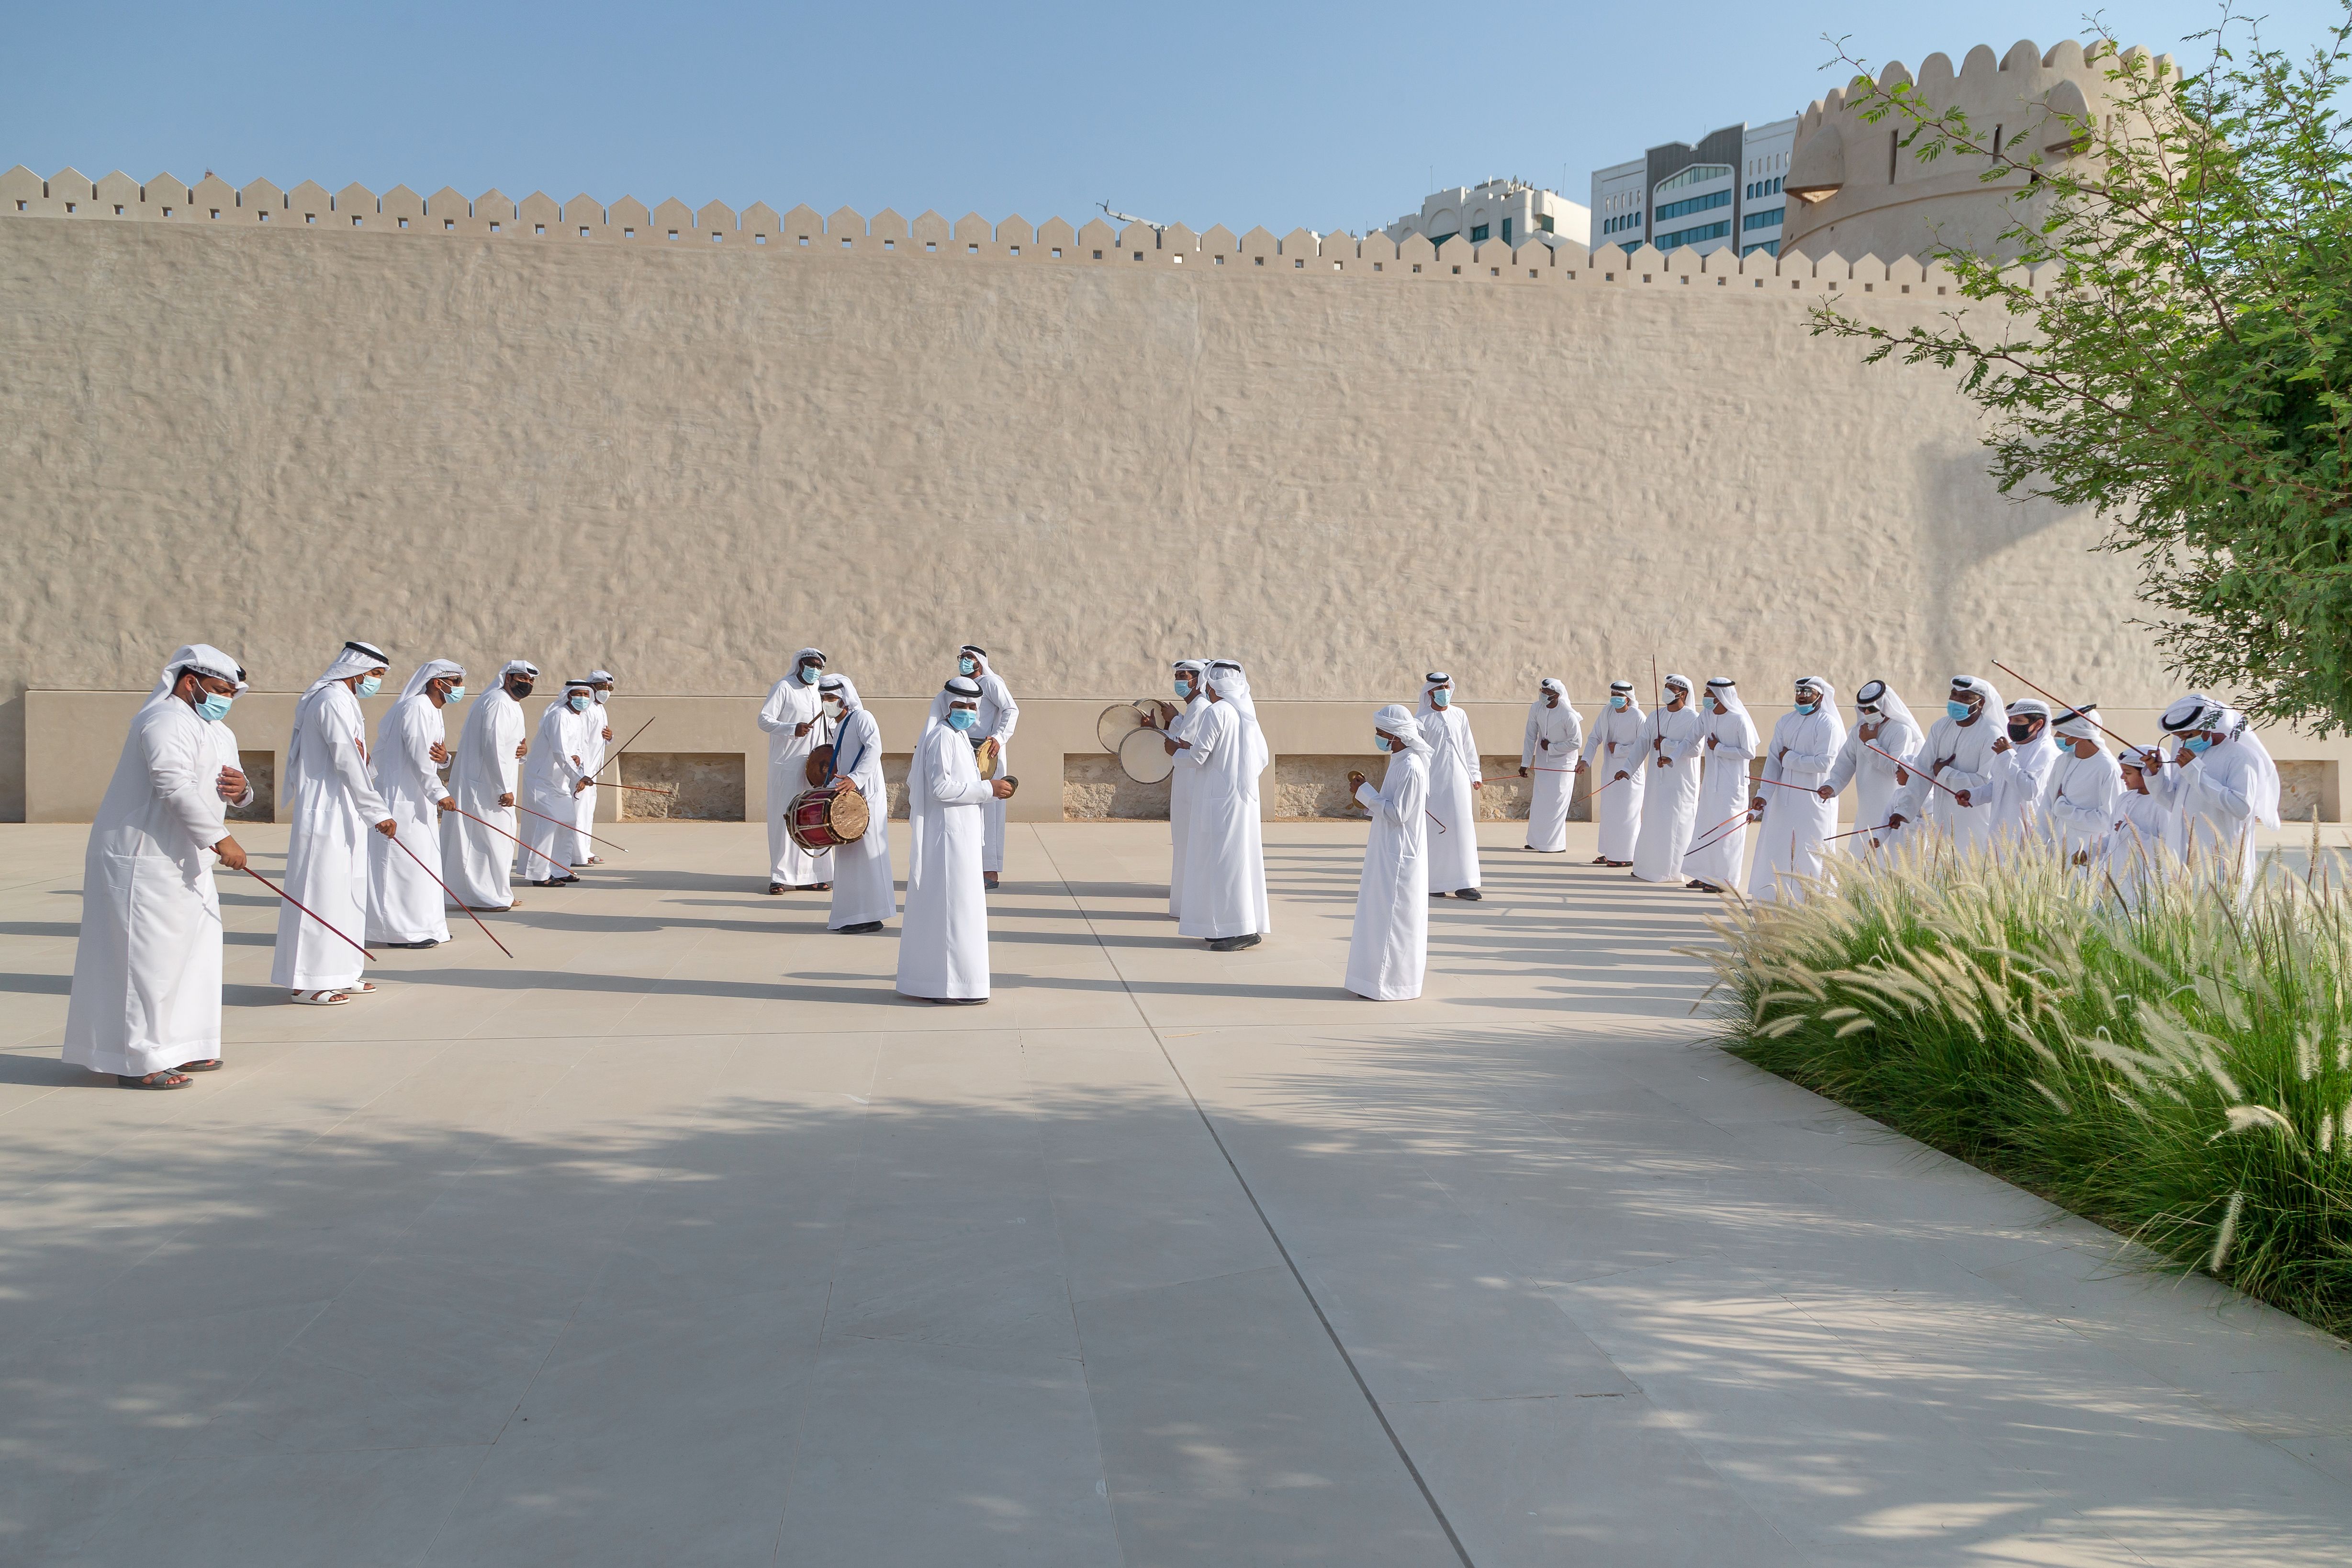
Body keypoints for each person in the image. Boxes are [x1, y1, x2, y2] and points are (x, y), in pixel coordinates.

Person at [64, 645, 252, 1088]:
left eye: (231, 693)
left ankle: (185, 1047)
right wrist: (221, 839)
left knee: (194, 956)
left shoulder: (219, 730)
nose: (226, 699)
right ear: (191, 682)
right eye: (221, 690)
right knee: (144, 963)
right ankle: (137, 1060)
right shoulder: (163, 720)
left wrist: (242, 791)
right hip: (142, 860)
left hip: (190, 859)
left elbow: (234, 788)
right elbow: (172, 785)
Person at [272, 641, 396, 1004]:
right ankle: (306, 981)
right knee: (320, 894)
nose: (376, 682)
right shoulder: (331, 700)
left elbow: (358, 755)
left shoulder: (346, 701)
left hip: (347, 811)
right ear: (355, 670)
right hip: (325, 812)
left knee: (348, 893)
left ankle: (342, 971)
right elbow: (346, 759)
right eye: (374, 674)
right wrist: (378, 811)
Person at [897, 677, 1013, 1002]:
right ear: (947, 706)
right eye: (959, 705)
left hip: (960, 836)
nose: (966, 711)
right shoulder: (941, 738)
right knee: (952, 910)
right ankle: (949, 987)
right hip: (946, 837)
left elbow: (964, 785)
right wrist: (989, 789)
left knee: (962, 910)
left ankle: (960, 984)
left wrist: (989, 791)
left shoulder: (960, 736)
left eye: (972, 706)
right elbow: (940, 789)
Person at [365, 660, 463, 948]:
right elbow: (419, 757)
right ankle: (399, 932)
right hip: (400, 800)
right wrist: (439, 792)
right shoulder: (417, 707)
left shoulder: (433, 711)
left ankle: (426, 926)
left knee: (424, 864)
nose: (460, 689)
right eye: (456, 682)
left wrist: (445, 759)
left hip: (419, 800)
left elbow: (434, 756)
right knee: (401, 865)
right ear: (437, 682)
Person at [1174, 661, 1271, 950]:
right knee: (1234, 861)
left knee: (1224, 863)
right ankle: (1224, 925)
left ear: (1212, 686)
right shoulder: (1246, 714)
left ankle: (1240, 929)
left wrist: (1174, 753)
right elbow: (1262, 759)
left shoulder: (1217, 712)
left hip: (1221, 802)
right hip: (1242, 802)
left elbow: (1197, 756)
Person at [2145, 696, 2281, 902]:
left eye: (2188, 735)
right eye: (2178, 737)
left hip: (2221, 859)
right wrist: (2155, 776)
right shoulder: (2190, 756)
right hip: (2184, 856)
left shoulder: (2241, 757)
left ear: (2211, 726)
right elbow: (2175, 804)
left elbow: (2242, 807)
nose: (2183, 742)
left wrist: (2195, 772)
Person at [1344, 705, 1431, 1000]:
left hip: (1400, 853)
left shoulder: (1411, 767)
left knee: (1394, 917)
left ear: (1396, 735)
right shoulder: (1400, 760)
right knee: (1380, 913)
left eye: (1382, 734)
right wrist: (1366, 796)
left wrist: (1366, 792)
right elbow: (1386, 807)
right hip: (1387, 848)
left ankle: (1391, 985)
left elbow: (1399, 814)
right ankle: (1372, 982)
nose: (1378, 738)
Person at [444, 660, 536, 910]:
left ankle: (499, 892)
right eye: (522, 679)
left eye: (530, 681)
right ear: (507, 679)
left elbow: (513, 745)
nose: (526, 684)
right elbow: (492, 746)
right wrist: (501, 787)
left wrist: (524, 751)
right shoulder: (496, 702)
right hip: (486, 788)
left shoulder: (511, 704)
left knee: (501, 841)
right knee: (487, 840)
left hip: (498, 786)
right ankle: (483, 896)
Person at [1747, 676, 1846, 903]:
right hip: (1783, 800)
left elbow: (1824, 763)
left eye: (1807, 692)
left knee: (1810, 850)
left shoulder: (1828, 724)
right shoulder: (1785, 721)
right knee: (1777, 847)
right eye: (1798, 691)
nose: (1801, 695)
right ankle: (1773, 897)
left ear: (1820, 696)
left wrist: (1789, 758)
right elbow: (1773, 760)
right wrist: (1763, 794)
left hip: (1813, 800)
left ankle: (1811, 901)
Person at [1888, 675, 2006, 856]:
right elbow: (1922, 771)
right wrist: (1904, 810)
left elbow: (1986, 783)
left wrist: (1944, 773)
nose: (1956, 701)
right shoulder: (1941, 727)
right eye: (1954, 695)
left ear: (1981, 703)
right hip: (1942, 816)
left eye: (1965, 698)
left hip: (1974, 819)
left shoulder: (1991, 733)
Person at [819, 673, 894, 933]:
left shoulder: (863, 718)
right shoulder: (838, 727)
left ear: (845, 699)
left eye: (831, 698)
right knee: (850, 857)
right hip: (848, 799)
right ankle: (853, 914)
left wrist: (855, 778)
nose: (827, 702)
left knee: (868, 855)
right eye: (824, 698)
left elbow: (875, 748)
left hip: (866, 797)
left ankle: (870, 916)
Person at [1820, 680, 1923, 856]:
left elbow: (1896, 769)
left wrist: (1871, 743)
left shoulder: (1902, 731)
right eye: (1863, 709)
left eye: (1872, 709)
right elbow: (1846, 761)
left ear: (1885, 706)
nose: (1867, 713)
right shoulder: (1860, 730)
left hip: (1893, 807)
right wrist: (1833, 785)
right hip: (1867, 806)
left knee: (1889, 856)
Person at [758, 647, 831, 894]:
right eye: (811, 664)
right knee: (786, 817)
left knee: (813, 816)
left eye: (819, 667)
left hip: (816, 766)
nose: (815, 670)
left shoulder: (819, 691)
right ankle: (780, 876)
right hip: (788, 764)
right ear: (800, 664)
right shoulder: (784, 687)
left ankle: (812, 875)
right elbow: (764, 720)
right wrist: (792, 728)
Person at [1683, 677, 1758, 895]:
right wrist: (1671, 757)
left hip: (1733, 786)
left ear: (1721, 696)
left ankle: (1724, 880)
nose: (1705, 696)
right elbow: (1691, 740)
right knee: (1705, 827)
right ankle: (1703, 874)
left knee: (1727, 833)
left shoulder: (1739, 719)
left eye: (1709, 693)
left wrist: (1719, 748)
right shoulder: (1706, 715)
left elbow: (1750, 752)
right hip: (1711, 784)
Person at [1631, 673, 1707, 884]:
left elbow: (1696, 749)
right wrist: (1627, 769)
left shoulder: (1693, 718)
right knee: (1653, 821)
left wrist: (1668, 744)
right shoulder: (1656, 715)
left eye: (1672, 687)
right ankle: (1647, 868)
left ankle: (1671, 872)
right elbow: (1642, 744)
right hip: (1657, 781)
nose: (1667, 690)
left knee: (1675, 825)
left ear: (1683, 693)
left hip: (1680, 783)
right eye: (1666, 686)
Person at [519, 681, 593, 887]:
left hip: (559, 781)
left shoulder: (578, 719)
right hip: (542, 780)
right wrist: (578, 776)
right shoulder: (559, 716)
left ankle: (559, 869)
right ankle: (539, 874)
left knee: (568, 821)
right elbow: (560, 751)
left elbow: (575, 752)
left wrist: (578, 771)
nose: (582, 698)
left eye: (585, 694)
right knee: (549, 823)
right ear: (568, 696)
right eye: (577, 694)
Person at [1417, 672, 1483, 899]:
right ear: (1430, 692)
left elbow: (1469, 747)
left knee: (1463, 832)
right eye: (1440, 688)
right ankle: (1435, 883)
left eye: (1447, 687)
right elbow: (1417, 756)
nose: (1445, 691)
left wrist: (1475, 774)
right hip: (1433, 786)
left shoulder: (1460, 715)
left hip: (1460, 785)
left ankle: (1466, 883)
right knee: (1436, 833)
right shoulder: (1421, 720)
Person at [961, 645, 1019, 889]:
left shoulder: (992, 682)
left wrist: (998, 737)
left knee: (991, 813)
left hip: (989, 753)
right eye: (962, 657)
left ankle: (991, 872)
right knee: (969, 809)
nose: (965, 661)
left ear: (980, 661)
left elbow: (1011, 709)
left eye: (969, 658)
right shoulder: (961, 686)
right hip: (965, 751)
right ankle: (970, 867)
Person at [2041, 705, 2122, 876]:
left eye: (2062, 734)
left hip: (2086, 856)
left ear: (2078, 735)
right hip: (2057, 854)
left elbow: (2107, 820)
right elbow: (2048, 806)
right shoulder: (2063, 761)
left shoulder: (2107, 767)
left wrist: (2065, 810)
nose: (2057, 738)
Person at [1155, 660, 1209, 918]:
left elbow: (1182, 744)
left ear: (1198, 680)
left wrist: (1161, 730)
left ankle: (1188, 903)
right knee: (1182, 840)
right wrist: (1167, 723)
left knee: (1187, 840)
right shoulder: (1195, 708)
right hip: (1184, 778)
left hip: (1191, 781)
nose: (1178, 680)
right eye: (1176, 675)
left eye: (1183, 675)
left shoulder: (1200, 707)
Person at [2108, 748, 2184, 909]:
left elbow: (2168, 851)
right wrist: (2090, 850)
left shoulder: (2164, 805)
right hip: (2115, 882)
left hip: (2143, 887)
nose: (2122, 777)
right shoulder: (2124, 798)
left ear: (2146, 773)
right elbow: (2113, 839)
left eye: (2128, 773)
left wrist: (2130, 832)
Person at [1580, 681, 1646, 867]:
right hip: (1609, 771)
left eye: (1619, 694)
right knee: (1609, 813)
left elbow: (1643, 746)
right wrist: (1586, 760)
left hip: (1630, 774)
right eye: (1613, 694)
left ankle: (1626, 856)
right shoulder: (1607, 712)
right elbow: (1595, 737)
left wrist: (1619, 749)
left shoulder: (1638, 716)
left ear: (1628, 698)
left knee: (1627, 814)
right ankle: (1610, 852)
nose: (1615, 697)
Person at [1519, 678, 1584, 853]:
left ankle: (1555, 845)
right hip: (1542, 763)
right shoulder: (1536, 708)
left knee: (1557, 802)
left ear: (1557, 696)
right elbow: (1530, 736)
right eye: (1542, 691)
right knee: (1540, 802)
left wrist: (1552, 748)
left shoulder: (1568, 714)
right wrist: (1525, 763)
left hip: (1563, 765)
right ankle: (1536, 841)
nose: (1544, 695)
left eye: (1548, 693)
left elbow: (1577, 742)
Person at [1988, 697, 2060, 844]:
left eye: (2019, 721)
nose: (2012, 725)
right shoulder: (2010, 748)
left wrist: (2007, 756)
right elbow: (1998, 785)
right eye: (2011, 721)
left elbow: (2030, 791)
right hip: (2000, 831)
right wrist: (1973, 795)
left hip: (2027, 834)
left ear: (2038, 724)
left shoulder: (2046, 751)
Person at [572, 670, 616, 866]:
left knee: (588, 811)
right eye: (601, 687)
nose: (605, 691)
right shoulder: (587, 708)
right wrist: (581, 771)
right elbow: (578, 740)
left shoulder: (600, 709)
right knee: (579, 811)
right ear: (591, 687)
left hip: (594, 770)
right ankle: (577, 854)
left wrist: (610, 737)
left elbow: (598, 739)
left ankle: (585, 850)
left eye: (609, 688)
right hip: (584, 770)